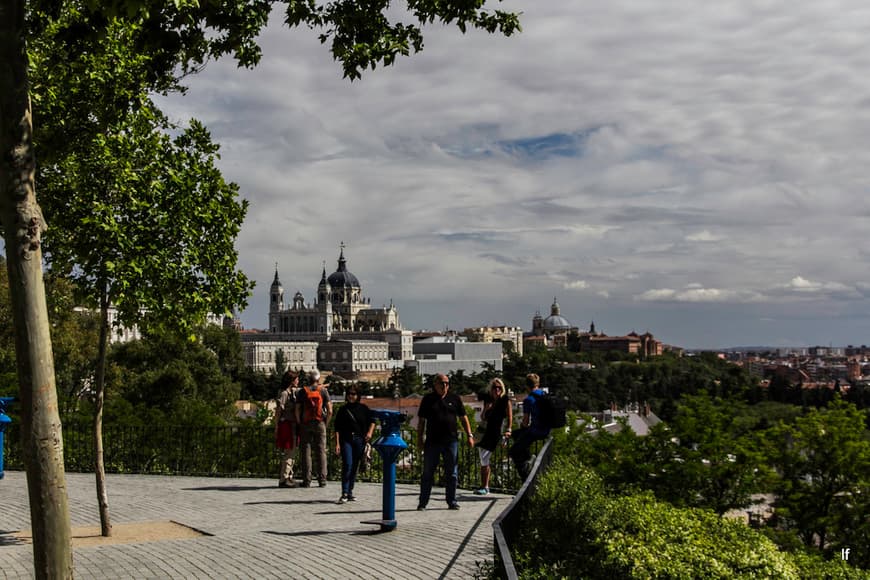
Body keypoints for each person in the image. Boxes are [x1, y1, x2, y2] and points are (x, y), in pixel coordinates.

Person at [416, 373, 474, 511]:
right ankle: (423, 502)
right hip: (432, 441)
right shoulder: (428, 399)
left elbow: (463, 418)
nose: (445, 386)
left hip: (451, 441)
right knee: (428, 473)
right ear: (435, 384)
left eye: (447, 383)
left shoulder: (454, 399)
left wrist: (469, 435)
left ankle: (452, 501)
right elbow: (421, 421)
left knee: (452, 473)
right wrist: (419, 439)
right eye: (442, 383)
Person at [333, 385, 375, 503]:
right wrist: (337, 444)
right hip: (346, 439)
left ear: (358, 396)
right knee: (348, 464)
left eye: (353, 394)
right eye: (349, 394)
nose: (351, 396)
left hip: (359, 440)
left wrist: (369, 433)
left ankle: (350, 491)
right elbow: (337, 428)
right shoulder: (343, 410)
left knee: (355, 466)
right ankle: (344, 492)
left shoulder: (364, 408)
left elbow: (372, 421)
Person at [474, 378, 513, 495]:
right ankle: (484, 485)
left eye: (499, 387)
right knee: (483, 459)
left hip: (495, 432)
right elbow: (483, 417)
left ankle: (485, 486)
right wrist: (487, 408)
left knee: (484, 459)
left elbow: (510, 417)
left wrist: (509, 430)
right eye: (494, 387)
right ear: (490, 389)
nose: (497, 390)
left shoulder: (505, 400)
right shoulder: (488, 400)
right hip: (485, 431)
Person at [509, 373, 551, 480]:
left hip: (535, 431)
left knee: (513, 451)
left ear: (526, 386)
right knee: (516, 435)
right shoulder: (544, 395)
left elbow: (525, 422)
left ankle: (526, 474)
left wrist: (522, 426)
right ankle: (527, 456)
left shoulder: (529, 400)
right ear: (538, 383)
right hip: (546, 430)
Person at [297, 369, 332, 488]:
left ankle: (307, 480)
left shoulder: (303, 391)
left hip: (306, 423)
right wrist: (325, 423)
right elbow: (330, 410)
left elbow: (297, 409)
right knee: (321, 451)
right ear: (318, 379)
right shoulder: (323, 391)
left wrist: (299, 421)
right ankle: (322, 480)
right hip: (319, 422)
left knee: (306, 452)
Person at [274, 370, 300, 488]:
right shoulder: (285, 394)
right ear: (291, 381)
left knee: (292, 451)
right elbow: (279, 410)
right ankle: (284, 478)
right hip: (287, 424)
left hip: (292, 424)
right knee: (289, 451)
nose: (298, 381)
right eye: (296, 379)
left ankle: (289, 475)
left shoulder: (292, 392)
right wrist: (277, 426)